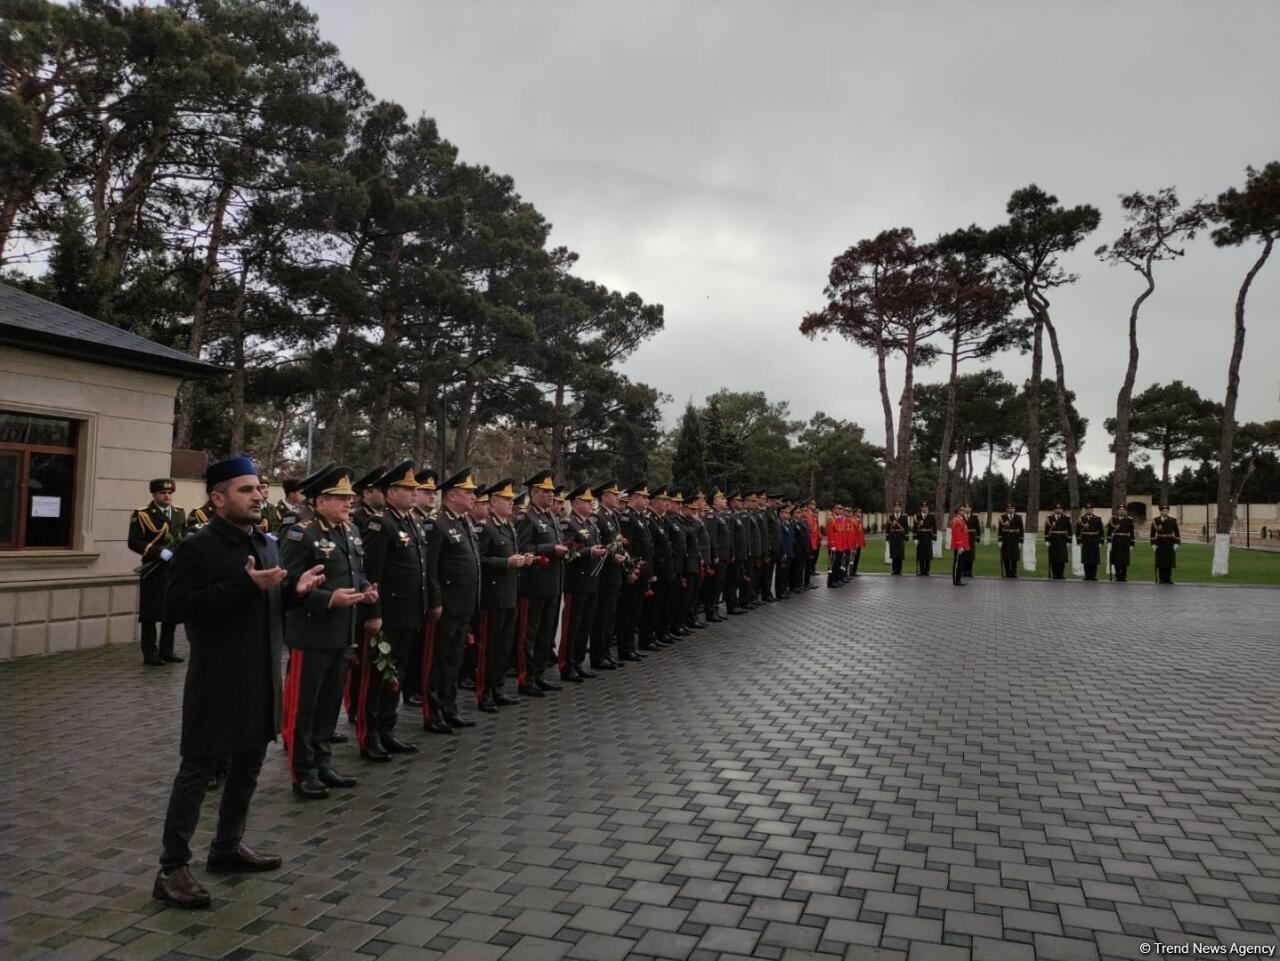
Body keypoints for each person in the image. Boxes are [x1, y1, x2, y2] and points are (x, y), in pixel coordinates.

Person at [153, 457, 325, 909]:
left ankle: (227, 846)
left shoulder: (265, 542)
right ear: (217, 497)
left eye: (259, 489)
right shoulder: (199, 546)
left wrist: (294, 591)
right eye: (246, 490)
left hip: (260, 674)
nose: (258, 496)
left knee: (248, 764)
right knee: (197, 771)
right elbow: (175, 608)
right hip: (216, 679)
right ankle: (172, 868)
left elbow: (268, 602)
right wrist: (246, 587)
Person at [280, 466, 377, 799]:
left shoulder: (349, 531)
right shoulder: (300, 533)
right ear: (320, 501)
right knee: (303, 707)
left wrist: (365, 588)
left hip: (341, 633)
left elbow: (356, 571)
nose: (349, 503)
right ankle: (302, 771)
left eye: (350, 497)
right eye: (341, 498)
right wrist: (327, 599)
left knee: (328, 705)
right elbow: (288, 585)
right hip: (311, 633)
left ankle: (323, 763)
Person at [357, 460, 429, 760]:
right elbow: (372, 574)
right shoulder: (380, 524)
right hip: (387, 615)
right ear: (390, 492)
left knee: (394, 676)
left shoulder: (410, 521)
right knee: (376, 677)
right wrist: (374, 613)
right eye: (407, 488)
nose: (414, 493)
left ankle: (388, 729)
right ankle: (369, 735)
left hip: (409, 613)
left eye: (415, 489)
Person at [423, 467, 482, 733]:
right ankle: (433, 713)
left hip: (464, 606)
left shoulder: (463, 522)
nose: (473, 496)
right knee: (438, 661)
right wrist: (435, 602)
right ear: (452, 495)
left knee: (455, 659)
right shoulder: (437, 524)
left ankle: (450, 707)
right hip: (445, 607)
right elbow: (431, 568)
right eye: (468, 492)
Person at [476, 479, 530, 711]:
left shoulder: (508, 527)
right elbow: (479, 560)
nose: (511, 503)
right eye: (506, 500)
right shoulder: (486, 528)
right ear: (493, 502)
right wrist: (505, 562)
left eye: (511, 499)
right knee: (489, 646)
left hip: (510, 595)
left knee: (504, 645)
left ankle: (498, 688)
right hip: (493, 596)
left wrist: (523, 559)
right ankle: (484, 692)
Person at [516, 471, 568, 694]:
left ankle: (538, 674)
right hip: (534, 585)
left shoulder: (550, 517)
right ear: (533, 493)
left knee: (546, 633)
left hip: (552, 584)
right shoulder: (527, 518)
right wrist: (550, 549)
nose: (551, 495)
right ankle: (525, 678)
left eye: (551, 492)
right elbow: (524, 549)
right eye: (546, 492)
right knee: (530, 634)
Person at [128, 478, 187, 666]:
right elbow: (134, 541)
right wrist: (158, 551)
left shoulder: (179, 513)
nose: (167, 496)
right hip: (153, 568)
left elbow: (182, 536)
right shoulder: (143, 514)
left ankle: (167, 650)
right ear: (154, 495)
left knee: (171, 611)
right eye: (163, 493)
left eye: (170, 493)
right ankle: (150, 653)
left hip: (173, 568)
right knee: (151, 612)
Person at [559, 484, 608, 681]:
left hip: (591, 581)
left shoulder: (590, 525)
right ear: (576, 503)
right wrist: (589, 552)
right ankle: (566, 664)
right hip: (576, 582)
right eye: (587, 502)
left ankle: (578, 661)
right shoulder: (569, 525)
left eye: (591, 502)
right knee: (572, 625)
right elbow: (568, 552)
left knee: (585, 624)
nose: (591, 505)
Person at [589, 480, 627, 669]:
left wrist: (623, 553)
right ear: (604, 496)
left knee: (610, 614)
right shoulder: (599, 517)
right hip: (605, 573)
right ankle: (598, 655)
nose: (617, 497)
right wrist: (614, 556)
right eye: (614, 494)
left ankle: (606, 652)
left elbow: (616, 542)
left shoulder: (613, 516)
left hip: (615, 573)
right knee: (602, 615)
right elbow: (599, 543)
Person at [616, 481, 654, 659]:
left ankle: (631, 646)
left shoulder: (639, 517)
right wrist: (629, 570)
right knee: (628, 612)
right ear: (635, 498)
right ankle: (625, 648)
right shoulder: (627, 518)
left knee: (635, 611)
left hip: (642, 572)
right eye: (644, 498)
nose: (647, 501)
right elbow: (627, 547)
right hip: (634, 572)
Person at [1151, 504, 1181, 584]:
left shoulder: (1173, 520)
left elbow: (1177, 533)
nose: (1165, 512)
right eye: (1163, 511)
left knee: (1169, 561)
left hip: (1170, 542)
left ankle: (1168, 578)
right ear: (1160, 511)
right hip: (1160, 542)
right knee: (1161, 561)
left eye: (1167, 510)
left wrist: (1177, 543)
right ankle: (1162, 578)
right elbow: (1152, 534)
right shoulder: (1156, 520)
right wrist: (1153, 544)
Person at [1075, 505, 1105, 581]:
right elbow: (1078, 531)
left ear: (1093, 510)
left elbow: (1101, 531)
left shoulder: (1097, 519)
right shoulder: (1081, 519)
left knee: (1094, 559)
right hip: (1085, 541)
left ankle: (1093, 576)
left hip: (1094, 541)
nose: (1089, 510)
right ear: (1085, 510)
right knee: (1086, 559)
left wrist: (1101, 541)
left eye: (1090, 509)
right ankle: (1087, 576)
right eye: (1087, 509)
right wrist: (1079, 542)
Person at [1106, 505, 1136, 581]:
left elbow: (1132, 533)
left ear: (1125, 511)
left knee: (1124, 559)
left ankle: (1123, 576)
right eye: (1120, 509)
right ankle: (1118, 575)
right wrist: (1109, 542)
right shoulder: (1113, 519)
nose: (1121, 511)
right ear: (1117, 511)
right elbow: (1109, 532)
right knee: (1116, 559)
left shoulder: (1129, 520)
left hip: (1125, 541)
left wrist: (1132, 544)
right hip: (1116, 541)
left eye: (1123, 510)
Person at [1044, 505, 1072, 580]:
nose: (1058, 510)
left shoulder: (1066, 518)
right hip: (1053, 540)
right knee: (1054, 558)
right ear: (1054, 510)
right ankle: (1055, 574)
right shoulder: (1049, 518)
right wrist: (1046, 540)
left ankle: (1061, 574)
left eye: (1060, 508)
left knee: (1062, 558)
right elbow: (1046, 530)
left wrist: (1069, 541)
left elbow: (1069, 530)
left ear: (1062, 510)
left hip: (1063, 540)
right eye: (1056, 509)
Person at [998, 505, 1023, 578]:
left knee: (1014, 557)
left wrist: (1021, 541)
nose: (1011, 510)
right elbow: (1000, 529)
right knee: (1006, 557)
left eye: (1012, 508)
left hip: (1015, 539)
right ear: (1007, 509)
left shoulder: (1018, 517)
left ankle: (1014, 573)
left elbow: (1021, 529)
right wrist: (1000, 540)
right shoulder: (1002, 517)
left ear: (1014, 509)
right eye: (1009, 508)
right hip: (1006, 539)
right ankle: (1008, 573)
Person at [884, 504, 909, 575]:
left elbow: (906, 528)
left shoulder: (904, 516)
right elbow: (888, 528)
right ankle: (894, 570)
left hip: (900, 537)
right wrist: (887, 538)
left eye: (898, 507)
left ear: (900, 508)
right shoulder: (890, 516)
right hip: (893, 536)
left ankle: (899, 570)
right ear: (894, 508)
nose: (897, 508)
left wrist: (906, 538)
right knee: (894, 554)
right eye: (895, 507)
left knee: (900, 554)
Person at [912, 502, 936, 576]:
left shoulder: (931, 516)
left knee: (928, 555)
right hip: (920, 537)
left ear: (928, 508)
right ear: (921, 508)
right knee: (921, 555)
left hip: (928, 536)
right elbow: (914, 528)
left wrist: (934, 538)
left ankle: (927, 570)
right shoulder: (917, 516)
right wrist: (915, 538)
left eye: (925, 507)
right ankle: (922, 570)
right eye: (923, 507)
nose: (924, 508)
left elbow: (934, 527)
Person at [950, 505, 971, 586]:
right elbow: (957, 533)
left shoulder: (962, 520)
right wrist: (959, 545)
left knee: (961, 563)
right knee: (957, 563)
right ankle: (956, 579)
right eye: (961, 510)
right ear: (958, 512)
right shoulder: (957, 520)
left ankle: (958, 578)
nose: (963, 511)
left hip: (963, 545)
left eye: (963, 510)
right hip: (959, 545)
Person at [964, 505, 981, 577]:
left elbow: (978, 527)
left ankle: (969, 571)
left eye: (969, 507)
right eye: (966, 507)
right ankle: (963, 571)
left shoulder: (975, 517)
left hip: (971, 538)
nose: (967, 509)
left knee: (970, 556)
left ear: (971, 509)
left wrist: (978, 536)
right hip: (963, 538)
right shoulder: (961, 516)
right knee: (963, 555)